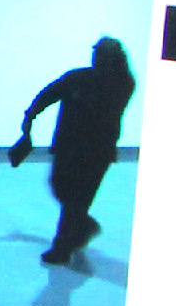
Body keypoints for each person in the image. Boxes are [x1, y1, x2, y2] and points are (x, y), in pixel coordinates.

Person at [12, 35, 138, 266]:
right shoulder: (78, 77)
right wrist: (30, 116)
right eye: (95, 53)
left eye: (100, 54)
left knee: (76, 202)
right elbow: (49, 93)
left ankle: (61, 250)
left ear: (113, 59)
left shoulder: (122, 84)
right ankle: (84, 227)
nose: (95, 57)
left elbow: (102, 108)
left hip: (96, 153)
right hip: (67, 148)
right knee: (59, 188)